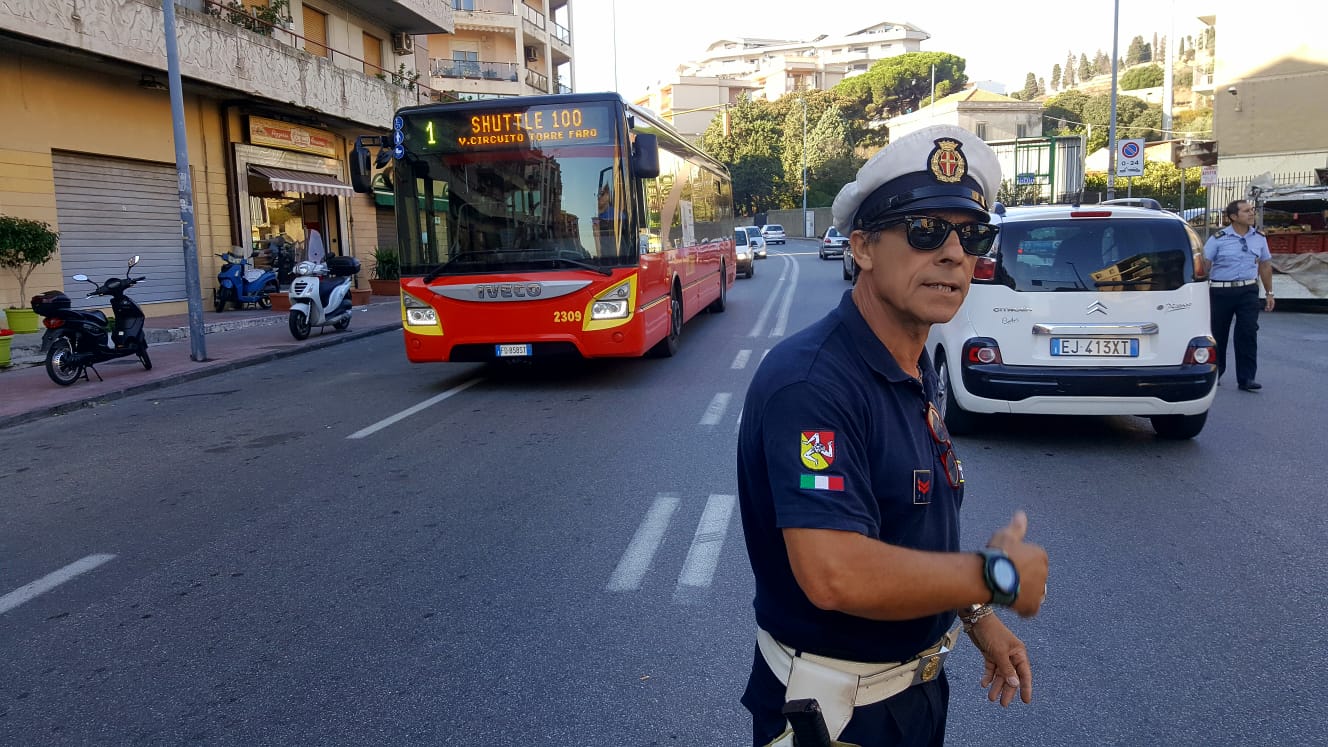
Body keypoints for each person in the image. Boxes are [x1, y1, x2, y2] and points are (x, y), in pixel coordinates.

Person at [736, 124, 1050, 747]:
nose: (955, 254)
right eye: (925, 231)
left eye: (972, 234)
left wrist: (975, 614)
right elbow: (836, 572)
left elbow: (903, 528)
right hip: (835, 717)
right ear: (863, 248)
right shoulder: (813, 385)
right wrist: (994, 577)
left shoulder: (915, 362)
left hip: (912, 696)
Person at [1203, 199, 1274, 391]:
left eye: (1252, 210)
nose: (1252, 213)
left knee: (1248, 333)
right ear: (1233, 217)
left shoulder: (1259, 237)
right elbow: (1204, 266)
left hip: (1248, 291)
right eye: (1246, 211)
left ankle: (1247, 378)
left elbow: (1265, 265)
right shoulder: (1218, 239)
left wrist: (1269, 293)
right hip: (1220, 291)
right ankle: (1216, 373)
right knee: (1218, 334)